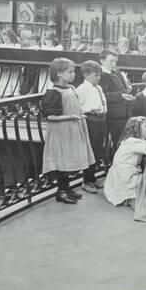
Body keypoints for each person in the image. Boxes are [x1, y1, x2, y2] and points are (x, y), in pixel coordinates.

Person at [41, 58, 95, 204]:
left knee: (68, 159)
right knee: (61, 159)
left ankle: (67, 188)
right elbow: (50, 116)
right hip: (61, 131)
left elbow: (74, 105)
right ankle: (61, 191)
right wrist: (70, 117)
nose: (73, 75)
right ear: (59, 73)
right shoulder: (54, 92)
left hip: (72, 129)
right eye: (69, 72)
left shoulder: (71, 88)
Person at [104, 116, 146, 207]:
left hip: (120, 174)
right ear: (136, 129)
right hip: (126, 176)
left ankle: (129, 196)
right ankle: (129, 198)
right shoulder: (133, 142)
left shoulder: (129, 140)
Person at [76, 60, 108, 194]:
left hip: (100, 120)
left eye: (99, 75)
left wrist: (103, 109)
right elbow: (77, 108)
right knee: (90, 150)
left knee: (97, 150)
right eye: (96, 75)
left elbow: (103, 102)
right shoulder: (82, 89)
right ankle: (87, 180)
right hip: (90, 121)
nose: (99, 78)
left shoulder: (98, 88)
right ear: (87, 75)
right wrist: (91, 109)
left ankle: (93, 178)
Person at [98, 50, 134, 151]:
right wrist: (121, 96)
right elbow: (103, 95)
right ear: (102, 61)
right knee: (117, 141)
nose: (114, 64)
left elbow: (123, 88)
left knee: (125, 140)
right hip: (113, 115)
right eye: (111, 61)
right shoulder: (101, 75)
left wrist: (127, 90)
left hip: (124, 112)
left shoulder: (116, 71)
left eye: (115, 61)